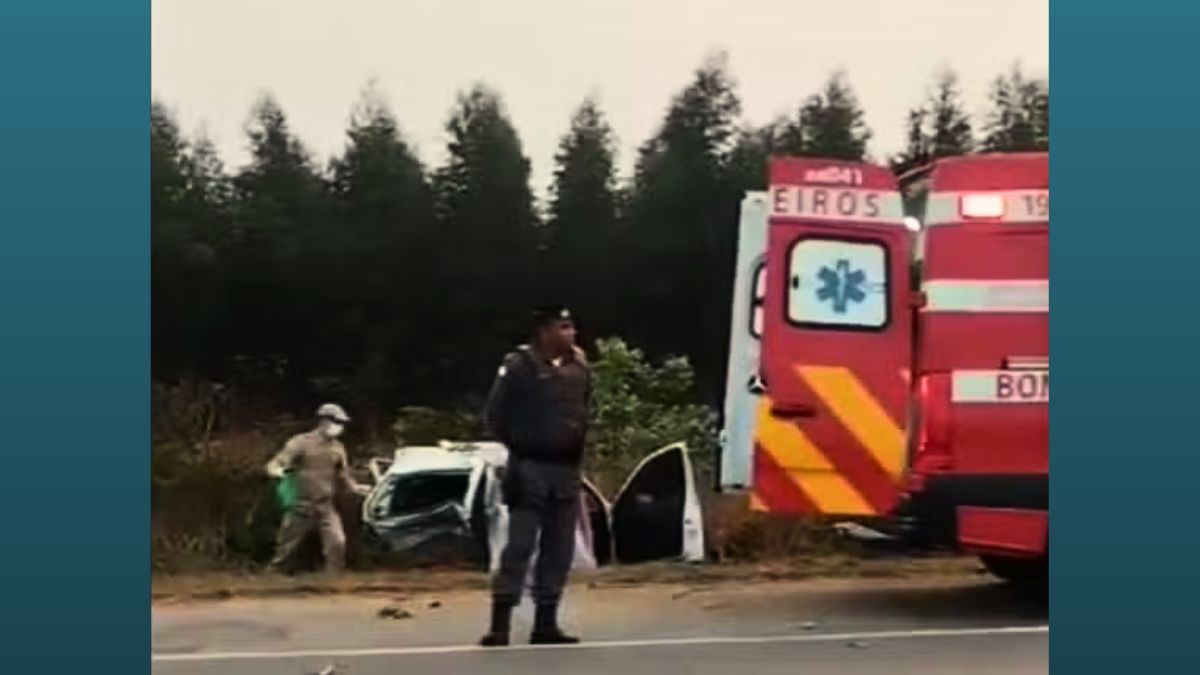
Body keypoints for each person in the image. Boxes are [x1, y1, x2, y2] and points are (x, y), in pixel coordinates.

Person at [479, 305, 592, 647]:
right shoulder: (519, 366)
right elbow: (495, 415)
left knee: (558, 550)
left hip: (566, 469)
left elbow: (585, 410)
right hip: (529, 467)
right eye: (564, 327)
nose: (571, 334)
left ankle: (546, 623)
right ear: (544, 332)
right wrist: (522, 445)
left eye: (572, 327)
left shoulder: (579, 367)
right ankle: (500, 624)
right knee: (520, 546)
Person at [265, 403, 361, 574]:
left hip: (325, 506)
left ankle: (333, 581)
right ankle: (270, 578)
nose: (339, 426)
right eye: (336, 421)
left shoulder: (338, 448)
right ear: (323, 421)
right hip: (301, 506)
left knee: (337, 544)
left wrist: (356, 488)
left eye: (342, 423)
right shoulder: (301, 443)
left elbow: (343, 475)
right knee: (286, 549)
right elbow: (277, 462)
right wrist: (276, 471)